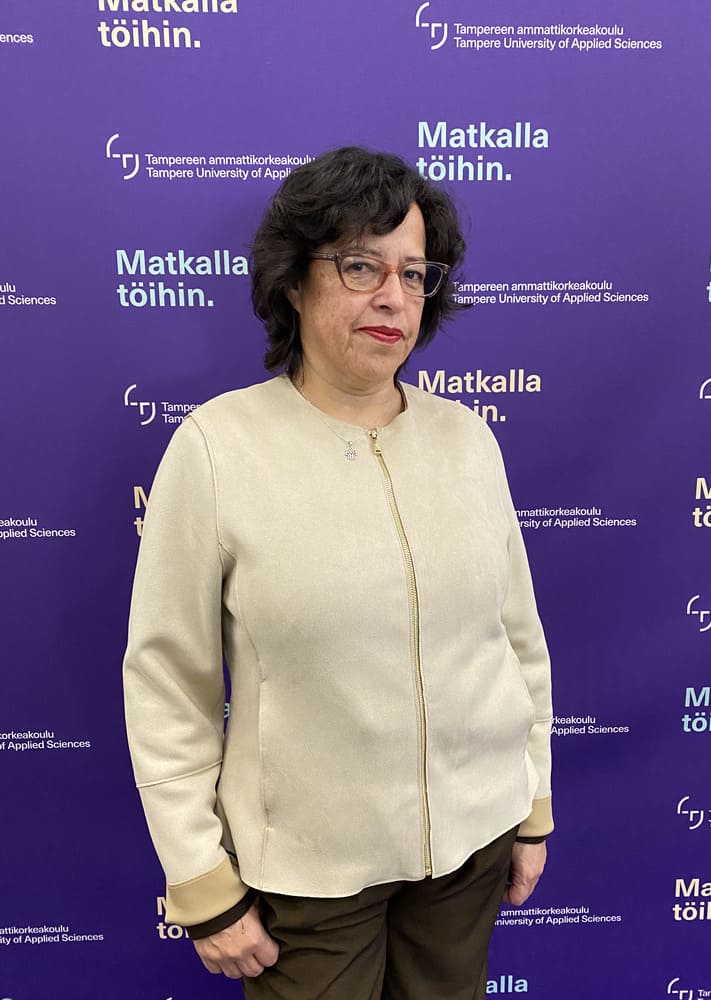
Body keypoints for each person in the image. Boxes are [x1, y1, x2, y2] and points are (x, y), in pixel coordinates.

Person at [123, 146, 553, 1000]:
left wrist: (530, 805)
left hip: (470, 849)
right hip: (308, 876)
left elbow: (516, 642)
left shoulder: (468, 441)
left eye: (413, 274)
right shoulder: (217, 449)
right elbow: (168, 681)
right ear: (293, 280)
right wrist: (200, 879)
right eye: (361, 266)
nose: (393, 296)